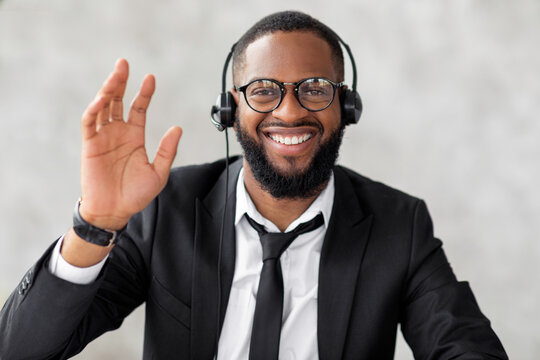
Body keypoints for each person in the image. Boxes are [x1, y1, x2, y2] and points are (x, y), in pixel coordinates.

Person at [0, 10, 507, 360]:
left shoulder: (399, 224)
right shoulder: (166, 211)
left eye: (314, 89)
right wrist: (95, 225)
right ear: (229, 110)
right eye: (263, 91)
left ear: (347, 108)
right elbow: (20, 350)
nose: (289, 110)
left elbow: (463, 346)